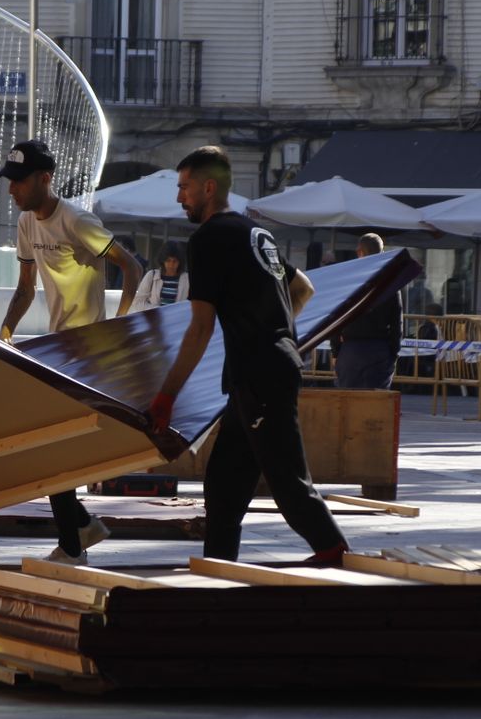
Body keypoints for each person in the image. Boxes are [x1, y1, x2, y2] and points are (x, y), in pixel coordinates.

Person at [147, 145, 349, 565]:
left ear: (207, 187)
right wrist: (273, 333)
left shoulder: (207, 239)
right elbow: (303, 288)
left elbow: (200, 326)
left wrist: (166, 396)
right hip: (257, 371)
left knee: (286, 479)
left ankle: (335, 555)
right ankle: (216, 570)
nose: (178, 197)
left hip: (258, 374)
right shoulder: (254, 232)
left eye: (184, 188)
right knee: (224, 484)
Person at [0, 140, 142, 565]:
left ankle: (74, 545)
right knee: (45, 447)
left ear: (45, 179)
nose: (12, 191)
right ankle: (79, 526)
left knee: (52, 446)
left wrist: (122, 325)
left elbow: (131, 266)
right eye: (9, 183)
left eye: (19, 182)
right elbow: (26, 288)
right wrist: (5, 333)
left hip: (91, 352)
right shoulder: (27, 224)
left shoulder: (76, 220)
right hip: (59, 348)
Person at [332, 233, 402, 390]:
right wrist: (393, 353)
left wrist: (336, 351)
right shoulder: (390, 282)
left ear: (359, 252)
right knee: (376, 405)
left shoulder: (346, 282)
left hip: (350, 351)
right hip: (379, 350)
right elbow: (397, 322)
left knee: (347, 403)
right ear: (381, 252)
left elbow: (336, 318)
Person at [129, 242, 189, 313]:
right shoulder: (152, 275)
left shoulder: (187, 279)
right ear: (163, 261)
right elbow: (137, 302)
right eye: (168, 261)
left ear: (180, 262)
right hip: (155, 321)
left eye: (175, 261)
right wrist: (158, 310)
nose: (171, 264)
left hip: (177, 322)